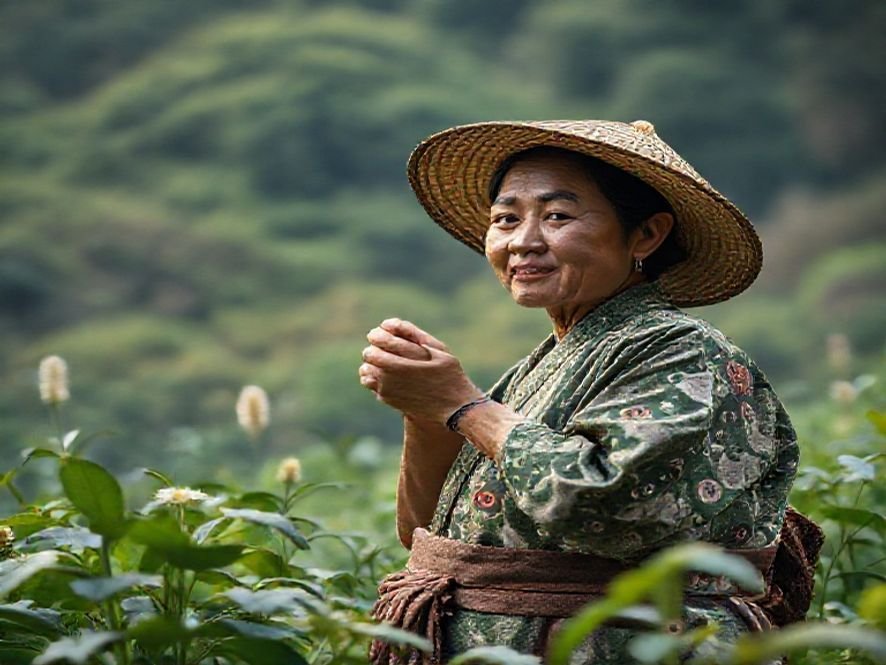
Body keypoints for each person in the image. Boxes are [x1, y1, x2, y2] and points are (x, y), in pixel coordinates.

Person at [358, 119, 820, 663]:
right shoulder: (542, 366)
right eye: (506, 219)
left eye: (557, 216)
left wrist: (464, 404)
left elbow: (602, 503)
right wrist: (426, 409)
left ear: (646, 235)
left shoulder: (685, 353)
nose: (523, 242)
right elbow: (425, 535)